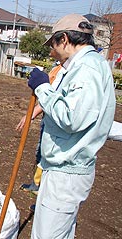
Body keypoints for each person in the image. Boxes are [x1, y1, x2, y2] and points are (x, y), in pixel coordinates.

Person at [27, 14, 115, 238]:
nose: (53, 52)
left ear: (64, 39)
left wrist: (42, 88)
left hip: (66, 174)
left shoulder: (87, 69)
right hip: (65, 170)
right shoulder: (90, 66)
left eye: (54, 45)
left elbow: (71, 117)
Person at [16, 60, 63, 196]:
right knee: (42, 151)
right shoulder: (58, 68)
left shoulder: (71, 72)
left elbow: (55, 97)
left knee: (48, 153)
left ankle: (42, 189)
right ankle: (38, 185)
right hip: (48, 117)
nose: (51, 50)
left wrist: (32, 114)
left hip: (57, 122)